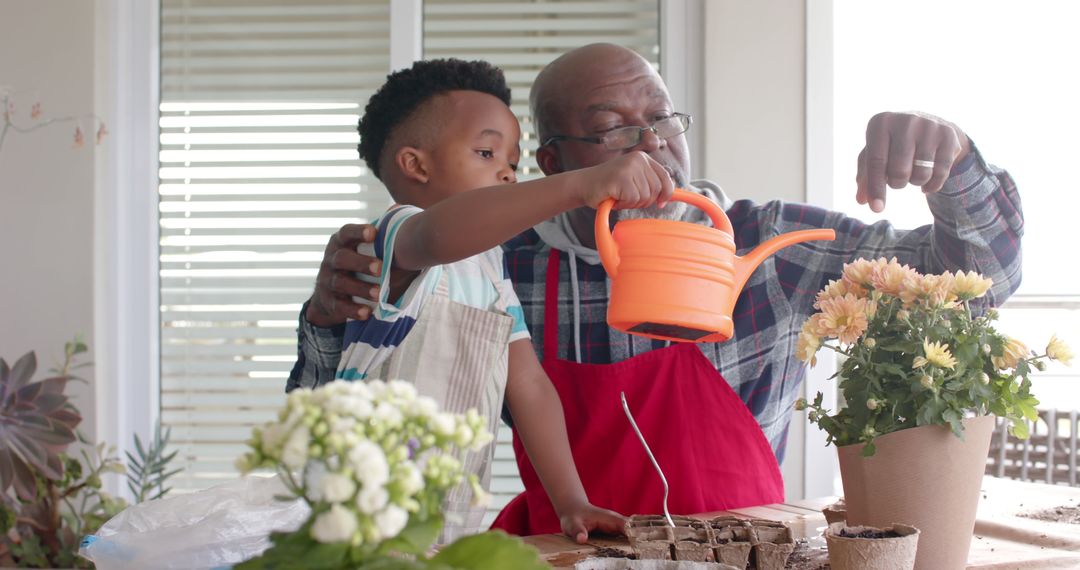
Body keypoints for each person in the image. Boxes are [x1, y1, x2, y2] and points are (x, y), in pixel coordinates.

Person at [288, 44, 1023, 536]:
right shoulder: (493, 261)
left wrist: (954, 162)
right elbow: (341, 397)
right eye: (611, 128)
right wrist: (331, 317)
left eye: (664, 119)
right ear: (549, 161)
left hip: (744, 555)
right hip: (574, 550)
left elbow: (977, 284)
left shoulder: (770, 246)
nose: (652, 144)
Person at [323, 58, 681, 542]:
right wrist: (578, 186)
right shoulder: (394, 235)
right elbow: (438, 234)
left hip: (443, 505)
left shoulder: (492, 271)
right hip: (351, 498)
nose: (509, 174)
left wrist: (571, 501)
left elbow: (529, 386)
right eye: (487, 154)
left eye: (513, 162)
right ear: (415, 164)